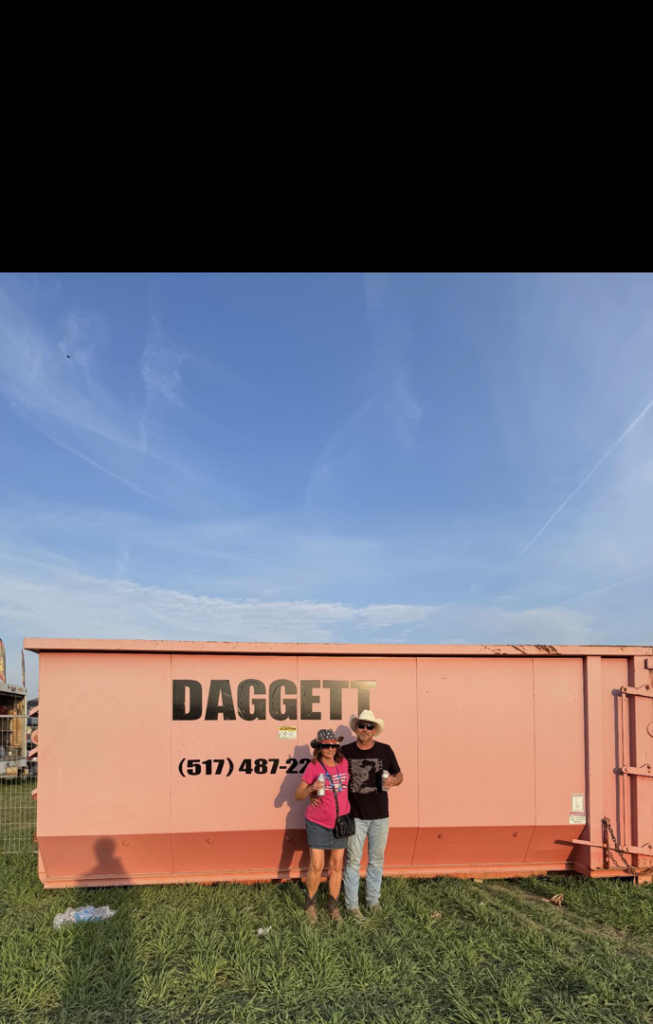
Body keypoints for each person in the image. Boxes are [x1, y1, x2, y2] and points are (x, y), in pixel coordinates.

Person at [341, 709, 403, 920]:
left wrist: (395, 780)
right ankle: (352, 906)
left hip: (380, 816)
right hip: (355, 815)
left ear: (375, 730)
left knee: (376, 860)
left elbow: (399, 773)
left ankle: (373, 901)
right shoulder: (345, 751)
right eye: (362, 725)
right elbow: (332, 773)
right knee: (352, 861)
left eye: (369, 726)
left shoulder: (385, 750)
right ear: (356, 728)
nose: (365, 729)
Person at [295, 728, 350, 924]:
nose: (330, 749)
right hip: (317, 821)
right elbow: (298, 794)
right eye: (326, 746)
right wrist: (310, 789)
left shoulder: (343, 763)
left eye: (334, 745)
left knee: (336, 866)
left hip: (340, 821)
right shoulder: (314, 767)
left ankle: (332, 908)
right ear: (319, 748)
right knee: (317, 865)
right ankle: (310, 905)